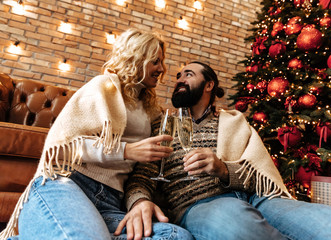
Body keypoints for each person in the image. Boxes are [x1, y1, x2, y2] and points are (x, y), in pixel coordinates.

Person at [116, 61, 331, 240]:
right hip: (200, 204)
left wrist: (223, 169)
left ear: (209, 84)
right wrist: (139, 202)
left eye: (188, 74)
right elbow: (142, 177)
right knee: (241, 228)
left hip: (260, 199)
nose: (179, 79)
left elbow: (261, 178)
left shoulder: (234, 122)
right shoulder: (163, 125)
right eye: (179, 75)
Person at [0, 29, 193, 240]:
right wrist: (126, 151)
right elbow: (63, 146)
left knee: (176, 236)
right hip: (70, 183)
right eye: (155, 61)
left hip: (111, 201)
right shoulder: (103, 87)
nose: (162, 69)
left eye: (162, 62)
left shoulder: (150, 108)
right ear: (137, 58)